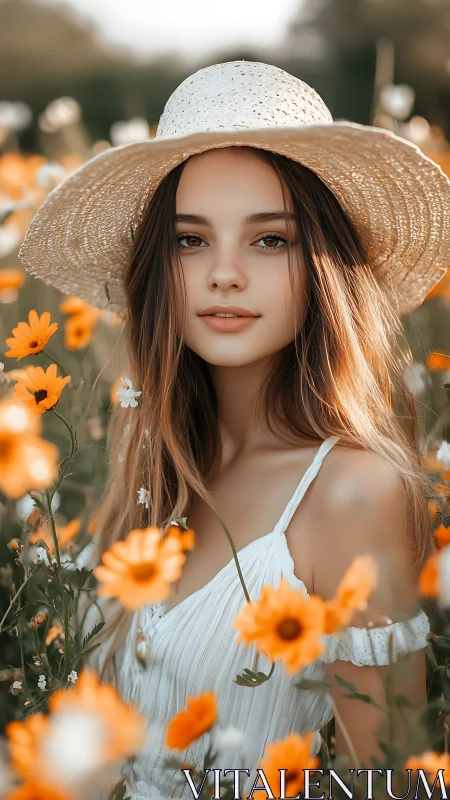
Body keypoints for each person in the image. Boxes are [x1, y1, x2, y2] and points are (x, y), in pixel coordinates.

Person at [19, 61, 450, 799]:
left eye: (270, 240)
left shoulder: (357, 489)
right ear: (160, 267)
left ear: (324, 265)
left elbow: (392, 783)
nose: (223, 274)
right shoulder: (151, 467)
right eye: (190, 241)